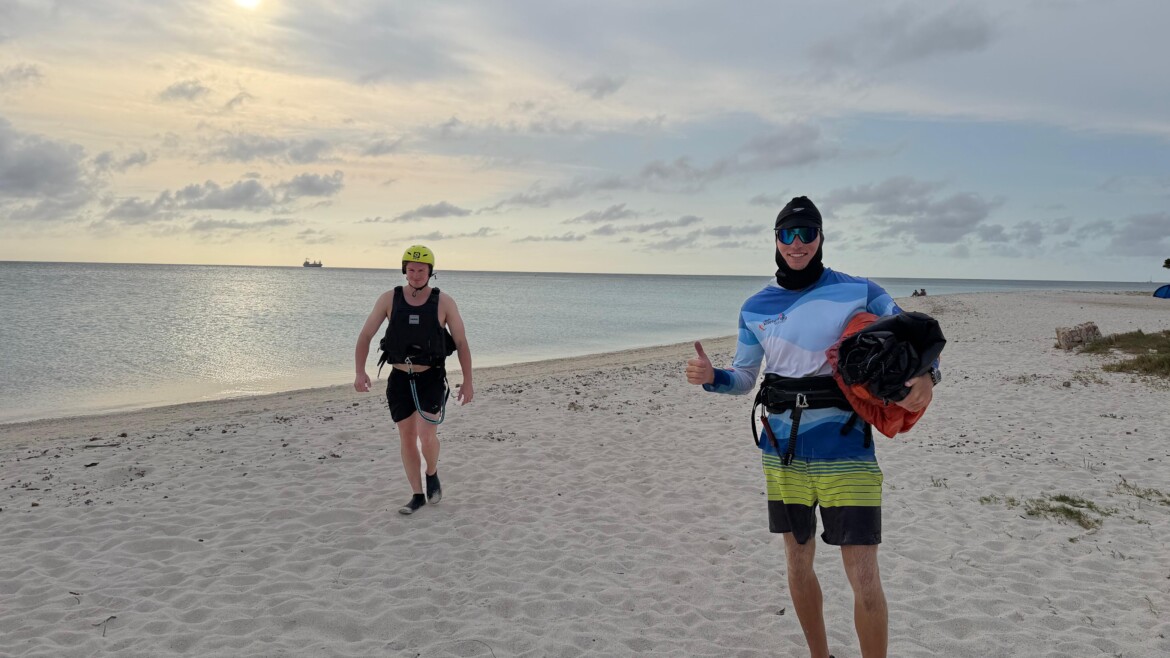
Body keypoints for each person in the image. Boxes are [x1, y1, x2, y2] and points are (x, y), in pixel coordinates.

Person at [685, 197, 939, 658]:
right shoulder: (755, 307)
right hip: (782, 451)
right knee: (798, 564)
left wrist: (926, 376)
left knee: (864, 577)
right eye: (787, 235)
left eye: (806, 233)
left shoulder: (859, 290)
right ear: (776, 240)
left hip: (846, 450)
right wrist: (712, 378)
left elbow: (915, 338)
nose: (797, 244)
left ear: (821, 237)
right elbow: (744, 378)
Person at [354, 245, 474, 515]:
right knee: (407, 436)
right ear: (404, 271)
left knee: (426, 435)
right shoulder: (389, 299)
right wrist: (360, 371)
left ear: (430, 272)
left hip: (430, 377)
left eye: (421, 270)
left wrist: (468, 381)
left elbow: (462, 342)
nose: (416, 274)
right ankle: (417, 494)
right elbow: (365, 336)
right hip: (399, 378)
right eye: (411, 270)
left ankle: (431, 471)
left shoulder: (444, 302)